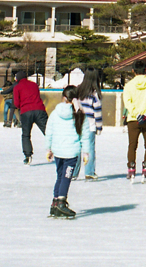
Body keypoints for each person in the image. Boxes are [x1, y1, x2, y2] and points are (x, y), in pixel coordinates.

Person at [44, 86, 89, 219]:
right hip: (71, 152)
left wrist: (49, 148)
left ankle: (55, 202)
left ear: (64, 97)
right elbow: (84, 135)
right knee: (66, 177)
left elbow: (49, 131)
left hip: (58, 151)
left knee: (60, 176)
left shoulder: (54, 113)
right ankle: (61, 202)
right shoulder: (79, 114)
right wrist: (86, 152)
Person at [123, 60, 146, 181]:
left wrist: (136, 114)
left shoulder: (129, 85)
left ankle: (131, 168)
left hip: (133, 120)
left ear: (133, 71)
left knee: (132, 145)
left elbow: (127, 102)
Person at [73, 67, 103, 180]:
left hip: (77, 121)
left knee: (77, 147)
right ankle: (89, 171)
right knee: (89, 147)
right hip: (89, 123)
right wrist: (99, 127)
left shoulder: (77, 91)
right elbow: (97, 112)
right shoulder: (94, 95)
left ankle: (73, 172)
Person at [13, 70, 48, 165]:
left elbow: (16, 103)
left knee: (26, 134)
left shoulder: (17, 87)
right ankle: (59, 151)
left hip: (26, 112)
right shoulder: (34, 85)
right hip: (39, 110)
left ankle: (28, 155)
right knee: (48, 132)